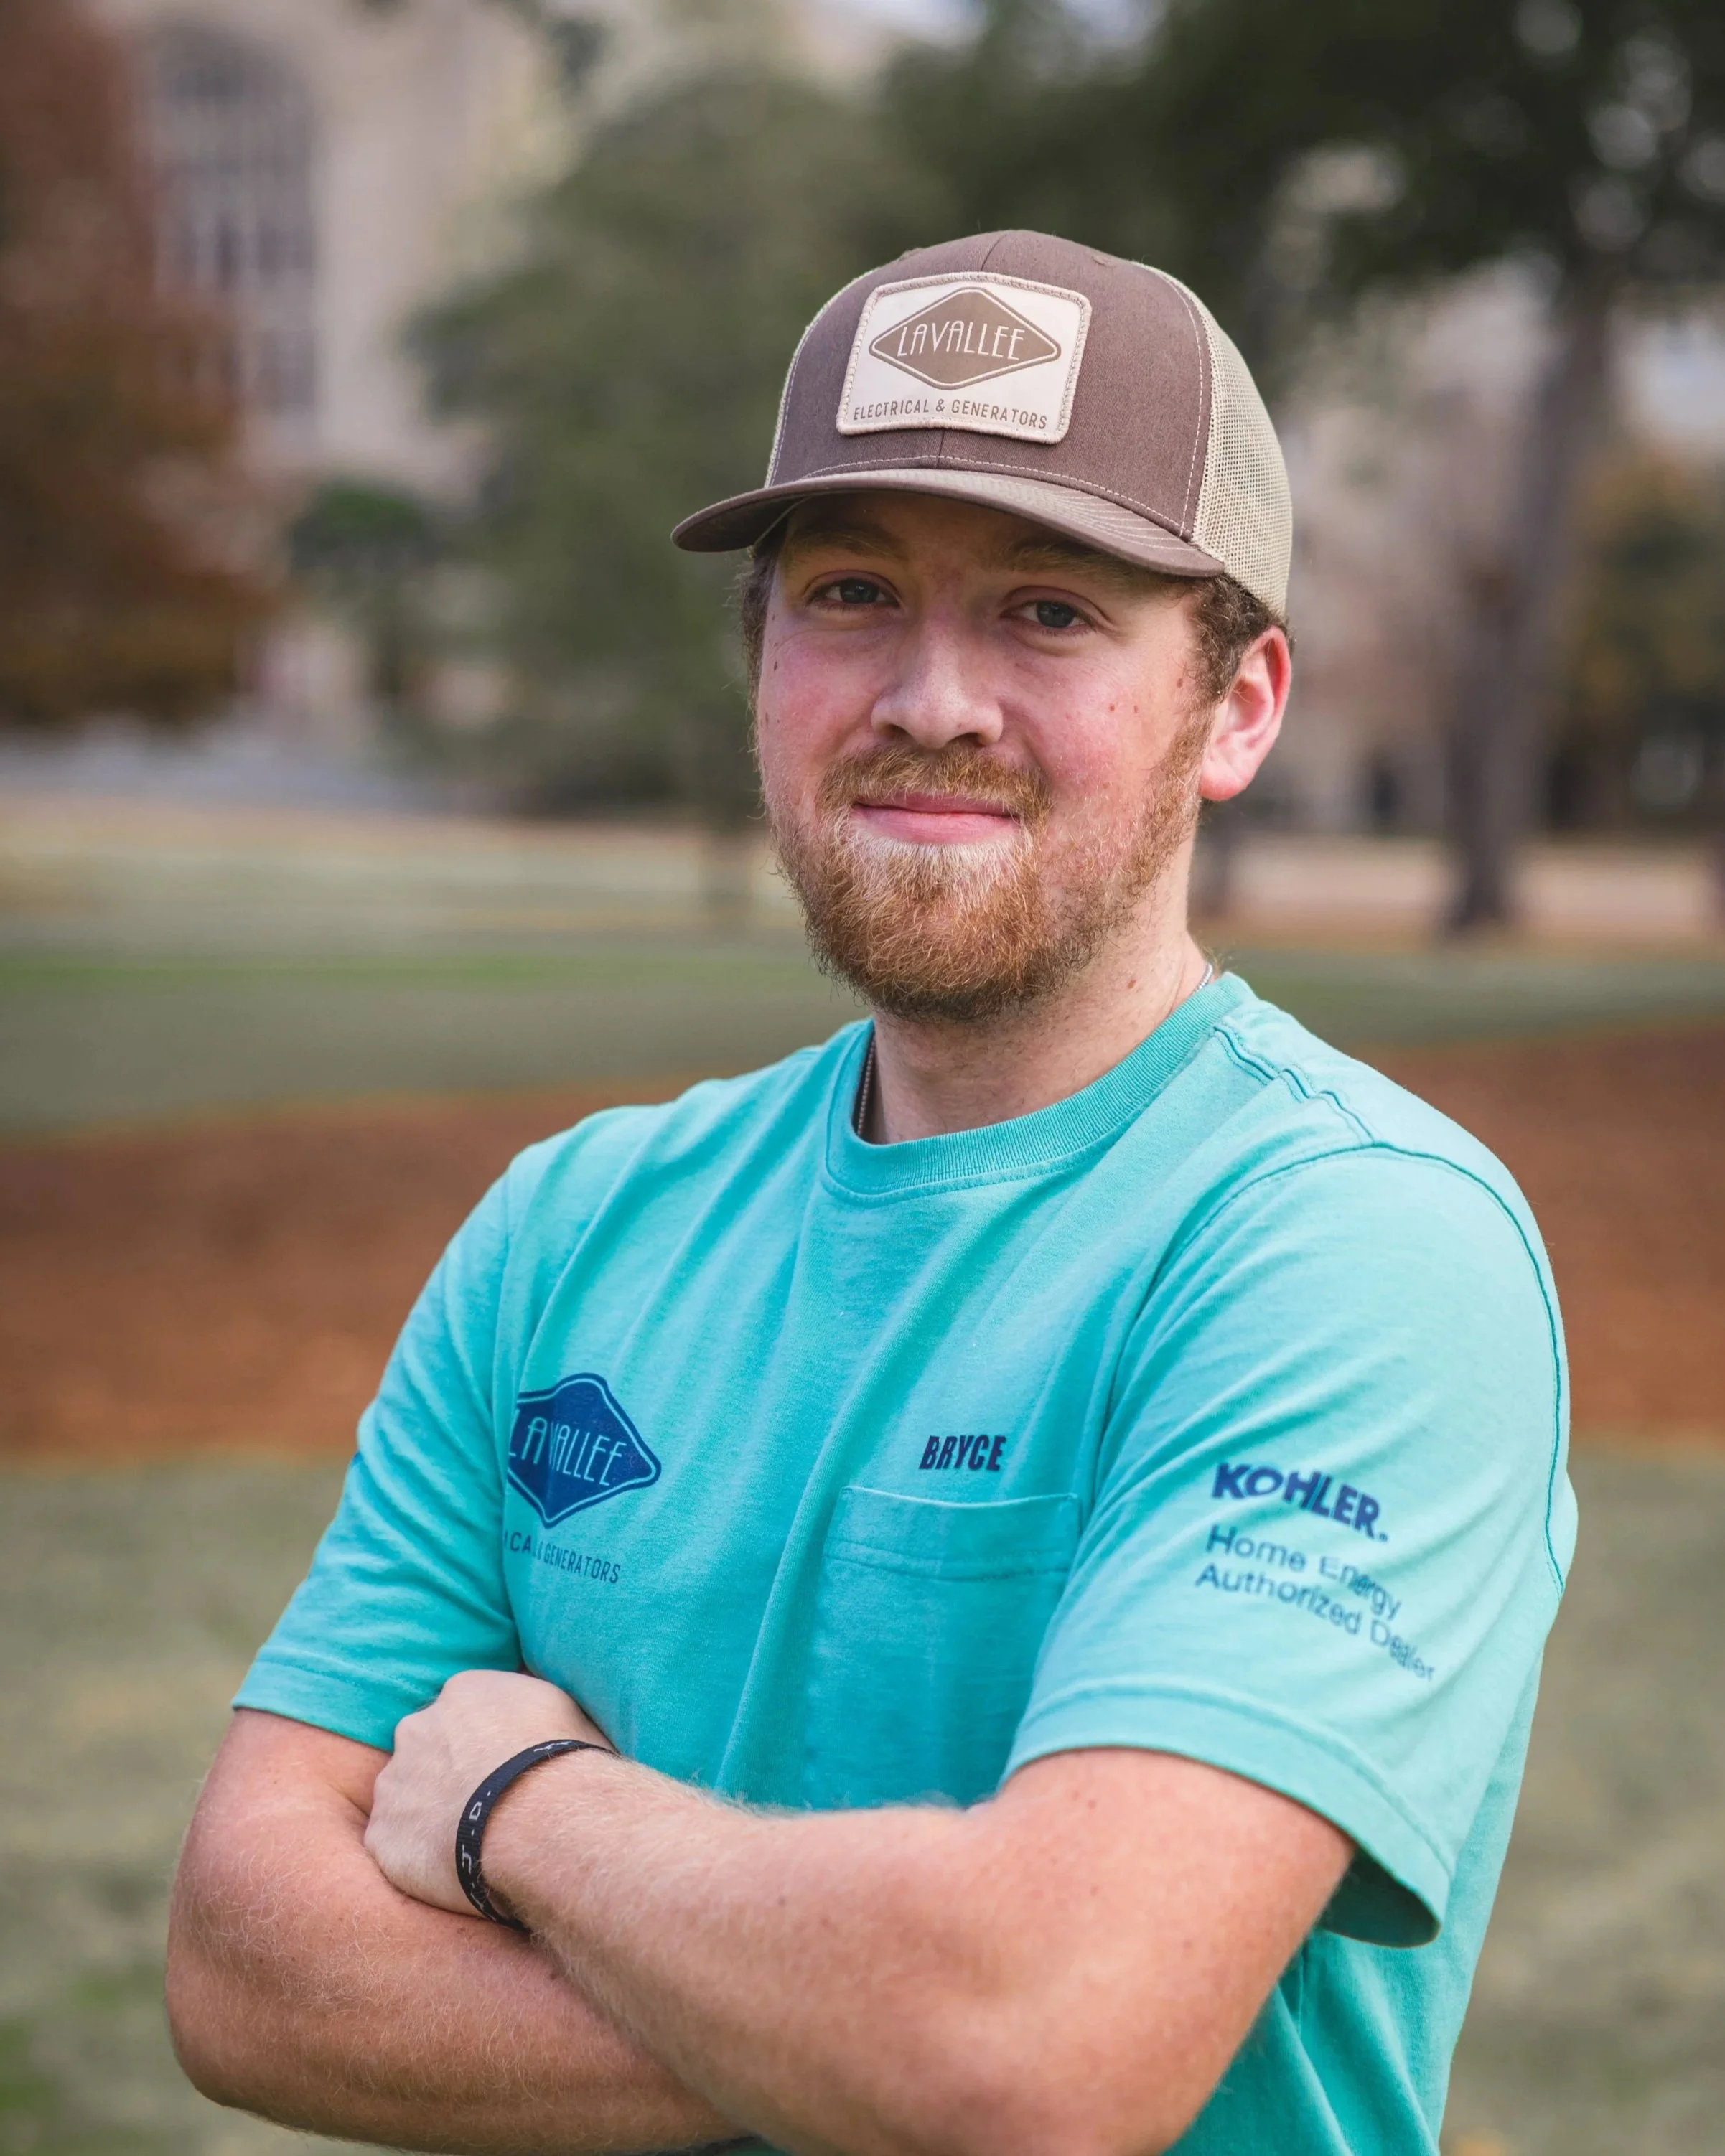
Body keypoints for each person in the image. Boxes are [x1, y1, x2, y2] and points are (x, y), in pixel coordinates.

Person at [167, 232, 1575, 2156]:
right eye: (850, 593)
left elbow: (1042, 2047)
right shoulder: (571, 1229)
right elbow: (246, 1965)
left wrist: (524, 1812)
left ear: (1239, 702)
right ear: (763, 661)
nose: (932, 694)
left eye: (1050, 611)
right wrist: (876, 2009)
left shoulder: (1357, 1246)